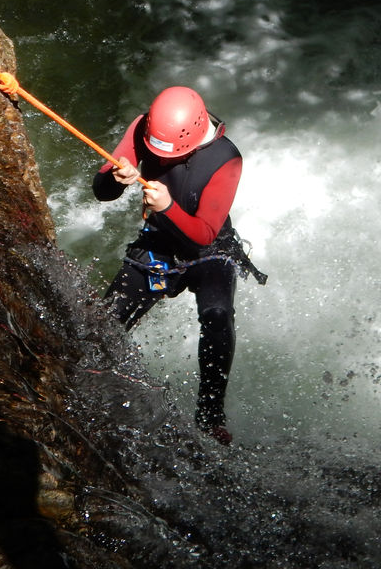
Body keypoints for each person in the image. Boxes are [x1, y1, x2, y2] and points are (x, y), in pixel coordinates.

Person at [92, 86, 265, 446]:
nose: (162, 160)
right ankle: (92, 389)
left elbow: (202, 235)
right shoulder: (144, 127)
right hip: (158, 244)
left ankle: (210, 413)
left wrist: (168, 207)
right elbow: (102, 190)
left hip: (209, 249)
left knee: (217, 315)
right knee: (102, 325)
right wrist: (115, 177)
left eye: (168, 156)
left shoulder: (226, 157)